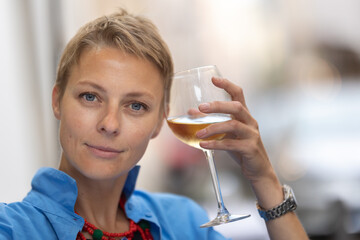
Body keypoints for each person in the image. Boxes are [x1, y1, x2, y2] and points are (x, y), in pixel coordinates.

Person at [0, 9, 308, 240]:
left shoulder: (183, 222)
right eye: (90, 97)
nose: (109, 123)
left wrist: (265, 179)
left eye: (136, 106)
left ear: (161, 122)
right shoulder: (11, 229)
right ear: (57, 101)